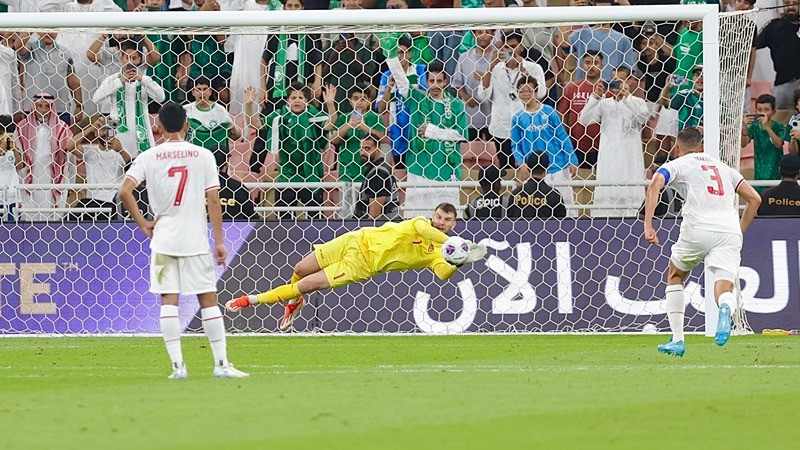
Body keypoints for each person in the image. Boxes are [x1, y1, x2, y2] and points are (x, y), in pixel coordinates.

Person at [119, 102, 248, 379]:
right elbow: (213, 199)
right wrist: (220, 241)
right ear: (187, 125)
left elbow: (125, 192)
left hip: (164, 238)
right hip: (195, 239)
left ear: (159, 127)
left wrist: (143, 223)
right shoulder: (203, 155)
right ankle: (221, 364)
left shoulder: (148, 156)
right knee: (208, 299)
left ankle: (178, 367)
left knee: (169, 300)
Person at [225, 203, 487, 331]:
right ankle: (294, 303)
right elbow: (423, 229)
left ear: (454, 223)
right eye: (439, 217)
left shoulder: (438, 255)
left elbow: (443, 275)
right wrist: (455, 243)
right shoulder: (421, 223)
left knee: (305, 285)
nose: (441, 222)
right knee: (301, 268)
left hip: (361, 265)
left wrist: (457, 262)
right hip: (355, 239)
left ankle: (250, 301)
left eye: (447, 220)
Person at [643, 127, 762, 357]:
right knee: (724, 285)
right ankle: (726, 307)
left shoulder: (679, 163)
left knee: (676, 275)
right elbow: (755, 199)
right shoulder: (723, 168)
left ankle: (677, 340)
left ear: (677, 149)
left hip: (697, 227)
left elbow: (655, 183)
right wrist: (739, 230)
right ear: (702, 146)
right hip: (728, 230)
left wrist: (648, 225)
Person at [245, 83, 338, 218]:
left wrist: (330, 104)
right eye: (293, 97)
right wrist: (248, 105)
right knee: (284, 218)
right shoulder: (280, 115)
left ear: (306, 100)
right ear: (288, 100)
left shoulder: (313, 113)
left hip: (310, 172)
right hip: (287, 173)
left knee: (315, 217)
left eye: (301, 97)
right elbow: (255, 124)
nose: (297, 100)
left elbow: (330, 125)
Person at [579, 71, 649, 217]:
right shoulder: (604, 103)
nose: (617, 84)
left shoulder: (638, 102)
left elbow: (642, 118)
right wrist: (595, 97)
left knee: (631, 195)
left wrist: (627, 98)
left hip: (630, 160)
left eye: (621, 80)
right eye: (614, 80)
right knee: (607, 197)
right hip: (608, 159)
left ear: (629, 81)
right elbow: (583, 120)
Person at [475, 30, 547, 171]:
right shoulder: (496, 69)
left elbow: (541, 94)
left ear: (522, 47)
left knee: (529, 167)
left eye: (514, 46)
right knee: (505, 169)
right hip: (501, 128)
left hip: (527, 126)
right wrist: (490, 67)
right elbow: (482, 95)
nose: (511, 51)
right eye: (507, 47)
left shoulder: (534, 68)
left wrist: (524, 71)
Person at [511, 75, 577, 214]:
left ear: (536, 92)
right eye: (522, 91)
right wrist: (522, 164)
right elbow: (515, 146)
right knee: (537, 209)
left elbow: (562, 136)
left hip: (557, 166)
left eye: (529, 90)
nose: (525, 94)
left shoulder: (549, 111)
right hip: (533, 171)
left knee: (566, 206)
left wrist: (572, 159)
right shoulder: (517, 118)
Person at [93, 40, 166, 158]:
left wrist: (142, 80)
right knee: (119, 168)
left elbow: (161, 97)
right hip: (119, 133)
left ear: (139, 60)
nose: (130, 62)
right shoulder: (113, 79)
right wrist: (121, 81)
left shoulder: (144, 80)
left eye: (134, 58)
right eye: (127, 57)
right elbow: (96, 98)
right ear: (121, 58)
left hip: (142, 132)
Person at [17, 93, 73, 222]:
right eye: (39, 106)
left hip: (51, 176)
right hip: (28, 175)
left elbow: (70, 152)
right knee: (30, 209)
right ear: (34, 106)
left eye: (47, 106)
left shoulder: (62, 127)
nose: (42, 109)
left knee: (51, 210)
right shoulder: (22, 127)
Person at [67, 115, 131, 221]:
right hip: (91, 202)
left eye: (109, 130)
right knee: (70, 222)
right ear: (96, 132)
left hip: (112, 203)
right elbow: (70, 146)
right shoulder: (90, 151)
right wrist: (90, 129)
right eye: (103, 130)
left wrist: (121, 150)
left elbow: (131, 167)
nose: (106, 134)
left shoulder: (121, 152)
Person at [17, 32, 84, 125]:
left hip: (60, 110)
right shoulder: (30, 49)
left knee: (62, 139)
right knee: (34, 139)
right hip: (34, 111)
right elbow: (18, 45)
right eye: (46, 29)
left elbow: (73, 80)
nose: (50, 33)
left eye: (53, 29)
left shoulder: (65, 52)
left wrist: (79, 105)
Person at [184, 77, 242, 167]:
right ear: (193, 92)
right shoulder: (186, 110)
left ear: (210, 92)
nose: (202, 93)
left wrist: (233, 129)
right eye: (198, 89)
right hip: (192, 159)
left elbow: (237, 137)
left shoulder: (220, 110)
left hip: (216, 162)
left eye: (205, 89)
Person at [755, 2, 800, 109]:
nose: (790, 7)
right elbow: (753, 45)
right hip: (783, 83)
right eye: (786, 3)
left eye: (794, 3)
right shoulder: (774, 26)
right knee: (779, 119)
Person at [743, 94, 785, 192]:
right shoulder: (754, 127)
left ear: (774, 112)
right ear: (755, 111)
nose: (762, 113)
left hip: (776, 174)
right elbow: (743, 144)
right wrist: (744, 127)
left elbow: (778, 144)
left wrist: (767, 127)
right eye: (759, 109)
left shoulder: (779, 127)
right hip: (759, 174)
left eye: (766, 109)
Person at [507, 152, 566, 219]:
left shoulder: (516, 194)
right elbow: (561, 223)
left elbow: (509, 220)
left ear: (528, 169)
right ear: (546, 170)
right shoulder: (554, 195)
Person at [352, 136, 399, 220]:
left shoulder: (378, 174)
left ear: (378, 149)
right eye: (361, 149)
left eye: (367, 148)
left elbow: (374, 216)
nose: (363, 152)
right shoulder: (381, 168)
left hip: (378, 228)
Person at [0, 114, 22, 220]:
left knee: (12, 229)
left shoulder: (14, 149)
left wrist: (14, 149)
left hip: (12, 196)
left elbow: (20, 165)